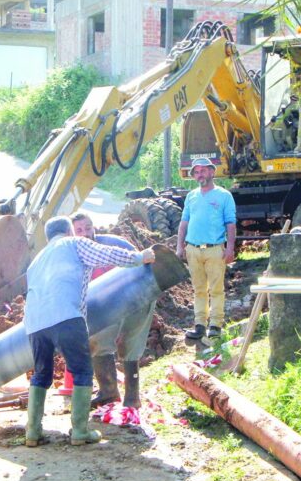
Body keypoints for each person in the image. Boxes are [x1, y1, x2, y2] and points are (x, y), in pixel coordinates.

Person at [24, 215, 155, 447]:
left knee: (41, 374)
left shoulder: (37, 260)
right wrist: (139, 257)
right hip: (66, 316)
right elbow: (106, 254)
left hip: (34, 324)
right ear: (69, 231)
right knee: (82, 371)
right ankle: (80, 432)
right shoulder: (74, 243)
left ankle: (32, 432)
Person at [72, 212, 154, 410]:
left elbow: (143, 265)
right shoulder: (74, 254)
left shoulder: (113, 244)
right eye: (79, 230)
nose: (85, 233)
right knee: (97, 341)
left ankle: (132, 398)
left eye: (88, 227)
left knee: (130, 344)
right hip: (103, 304)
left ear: (94, 227)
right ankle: (108, 391)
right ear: (72, 234)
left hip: (136, 296)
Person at [175, 157, 237, 340]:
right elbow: (183, 223)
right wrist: (180, 246)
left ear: (211, 172)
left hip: (214, 249)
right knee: (199, 289)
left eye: (202, 171)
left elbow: (231, 224)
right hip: (193, 249)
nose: (199, 175)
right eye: (196, 172)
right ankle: (200, 325)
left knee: (216, 289)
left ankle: (216, 325)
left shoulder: (224, 196)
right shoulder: (191, 196)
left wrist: (230, 248)